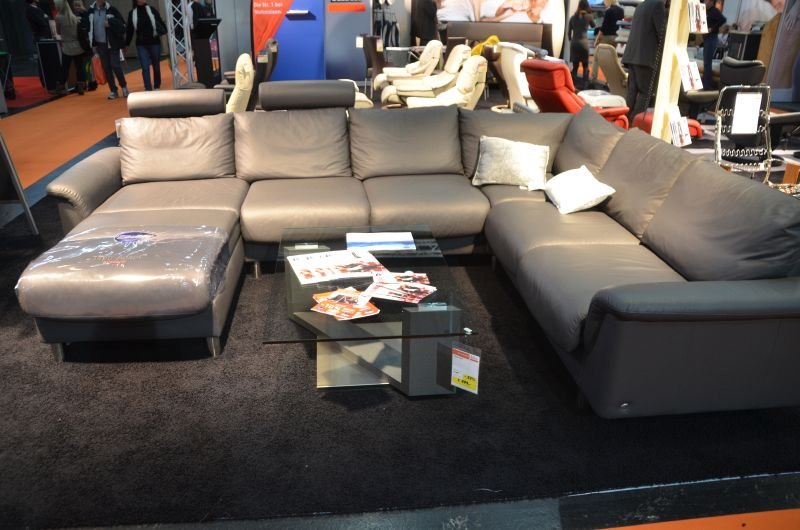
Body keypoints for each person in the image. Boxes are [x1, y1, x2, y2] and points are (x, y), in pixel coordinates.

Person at [622, 0, 667, 121]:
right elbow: (662, 33)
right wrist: (668, 50)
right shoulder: (658, 5)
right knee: (645, 93)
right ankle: (635, 123)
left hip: (633, 55)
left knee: (632, 92)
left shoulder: (641, 5)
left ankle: (625, 120)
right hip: (645, 57)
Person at [88, 0, 128, 99]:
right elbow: (89, 28)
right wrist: (92, 43)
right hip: (99, 44)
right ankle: (113, 90)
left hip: (112, 43)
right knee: (106, 68)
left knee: (115, 65)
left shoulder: (112, 9)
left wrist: (110, 23)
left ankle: (124, 87)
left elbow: (123, 25)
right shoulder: (91, 11)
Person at [126, 0, 166, 91]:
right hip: (141, 44)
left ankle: (157, 86)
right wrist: (127, 44)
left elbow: (160, 21)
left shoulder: (152, 9)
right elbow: (130, 30)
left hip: (154, 41)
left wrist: (165, 30)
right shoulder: (132, 13)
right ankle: (148, 88)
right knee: (145, 67)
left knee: (156, 65)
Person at [55, 0, 88, 95]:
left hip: (67, 46)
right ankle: (81, 87)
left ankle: (61, 86)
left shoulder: (58, 18)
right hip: (77, 45)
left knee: (65, 67)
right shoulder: (74, 17)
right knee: (80, 67)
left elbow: (58, 32)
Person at [591, 0, 624, 82]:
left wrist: (597, 39)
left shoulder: (609, 11)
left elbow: (604, 27)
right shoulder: (621, 10)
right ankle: (609, 81)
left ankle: (593, 78)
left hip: (606, 37)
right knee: (612, 60)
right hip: (616, 37)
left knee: (596, 57)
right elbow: (622, 25)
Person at [568, 0, 595, 89]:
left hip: (574, 44)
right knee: (585, 66)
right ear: (587, 6)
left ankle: (572, 87)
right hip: (584, 44)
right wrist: (589, 13)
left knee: (575, 67)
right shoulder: (588, 16)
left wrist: (571, 41)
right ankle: (585, 87)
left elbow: (569, 34)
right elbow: (593, 25)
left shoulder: (572, 18)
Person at [702, 0, 726, 88]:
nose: (705, 2)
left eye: (706, 1)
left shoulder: (714, 11)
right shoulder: (707, 11)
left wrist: (712, 28)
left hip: (711, 38)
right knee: (706, 62)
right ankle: (706, 83)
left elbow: (723, 19)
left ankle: (707, 85)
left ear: (711, 2)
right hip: (707, 38)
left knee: (707, 62)